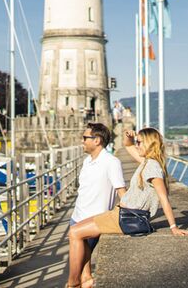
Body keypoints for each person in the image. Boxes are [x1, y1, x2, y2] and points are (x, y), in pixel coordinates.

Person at [66, 127, 188, 288]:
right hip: (121, 214)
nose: (137, 145)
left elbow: (163, 197)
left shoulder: (153, 167)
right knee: (79, 230)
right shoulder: (147, 162)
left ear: (149, 144)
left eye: (140, 142)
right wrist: (130, 137)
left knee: (75, 233)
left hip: (126, 217)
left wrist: (174, 227)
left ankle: (73, 283)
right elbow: (128, 146)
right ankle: (86, 279)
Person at [70, 123, 125, 288]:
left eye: (85, 138)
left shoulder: (111, 162)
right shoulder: (87, 161)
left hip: (94, 220)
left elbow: (121, 190)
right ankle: (83, 281)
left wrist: (130, 215)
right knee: (85, 272)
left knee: (77, 270)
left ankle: (71, 284)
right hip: (77, 217)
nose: (82, 141)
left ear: (97, 140)